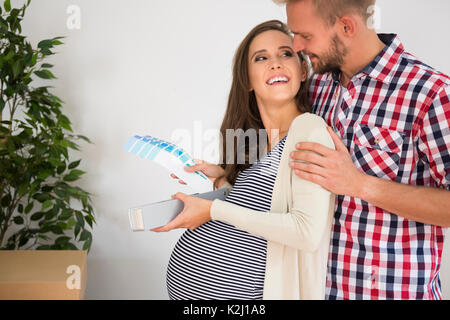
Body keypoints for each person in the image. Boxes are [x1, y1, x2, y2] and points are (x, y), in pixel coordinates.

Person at [274, 0, 450, 299]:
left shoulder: (431, 93)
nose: (297, 45)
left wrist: (360, 185)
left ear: (346, 27)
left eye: (305, 35)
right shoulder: (317, 87)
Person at [153, 20, 336, 300]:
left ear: (302, 71)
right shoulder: (257, 143)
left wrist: (212, 210)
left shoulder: (309, 129)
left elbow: (306, 232)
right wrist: (218, 179)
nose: (275, 63)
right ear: (248, 81)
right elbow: (260, 203)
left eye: (286, 53)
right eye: (261, 58)